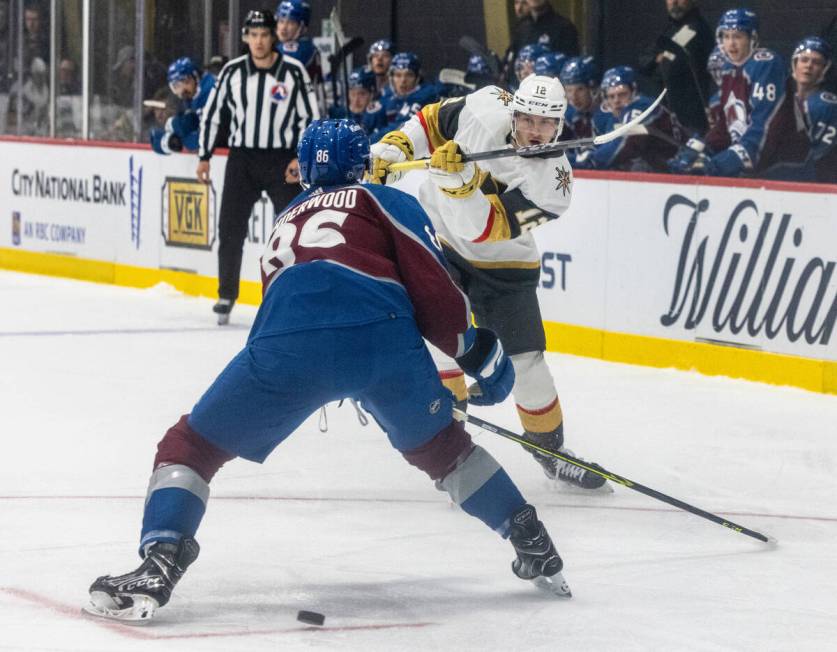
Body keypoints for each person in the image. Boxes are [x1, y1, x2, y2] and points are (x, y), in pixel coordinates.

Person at [82, 119, 571, 623]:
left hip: (285, 350)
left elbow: (285, 309)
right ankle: (528, 536)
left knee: (191, 446)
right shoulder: (384, 199)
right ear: (361, 162)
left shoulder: (285, 217)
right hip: (385, 342)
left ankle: (160, 560)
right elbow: (434, 288)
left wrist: (293, 380)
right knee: (444, 450)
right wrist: (477, 356)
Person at [369, 76, 608, 491]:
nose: (534, 131)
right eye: (527, 119)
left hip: (504, 266)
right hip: (440, 244)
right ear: (513, 112)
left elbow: (484, 227)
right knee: (441, 349)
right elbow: (431, 122)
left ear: (560, 126)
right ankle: (451, 452)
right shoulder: (483, 107)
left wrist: (457, 183)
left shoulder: (555, 185)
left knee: (527, 364)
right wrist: (394, 148)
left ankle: (550, 451)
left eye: (545, 123)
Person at [198, 9, 319, 325]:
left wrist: (300, 158)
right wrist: (204, 155)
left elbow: (310, 117)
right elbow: (213, 114)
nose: (259, 41)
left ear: (273, 37)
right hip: (242, 160)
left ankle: (289, 296)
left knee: (291, 232)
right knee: (230, 228)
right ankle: (226, 294)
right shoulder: (231, 71)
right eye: (253, 35)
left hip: (282, 161)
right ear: (245, 38)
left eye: (264, 34)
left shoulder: (293, 72)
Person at [668, 8, 795, 177]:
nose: (730, 43)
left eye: (737, 36)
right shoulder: (729, 69)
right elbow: (724, 129)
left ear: (753, 39)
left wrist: (721, 163)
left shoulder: (766, 64)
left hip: (783, 168)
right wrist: (702, 147)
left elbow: (764, 128)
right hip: (756, 167)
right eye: (726, 36)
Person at [575, 65, 684, 172]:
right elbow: (599, 148)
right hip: (664, 170)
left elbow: (625, 140)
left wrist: (590, 161)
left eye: (622, 94)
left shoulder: (642, 105)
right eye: (611, 96)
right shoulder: (612, 119)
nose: (616, 101)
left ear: (633, 92)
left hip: (685, 165)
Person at [764, 37, 837, 183]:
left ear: (825, 69)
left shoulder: (827, 106)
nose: (808, 66)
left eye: (816, 62)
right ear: (794, 64)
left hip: (814, 185)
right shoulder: (778, 100)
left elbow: (819, 158)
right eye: (804, 60)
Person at [637, 0, 714, 134]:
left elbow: (668, 68)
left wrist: (657, 62)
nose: (674, 2)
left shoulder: (695, 28)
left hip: (692, 118)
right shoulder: (670, 27)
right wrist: (656, 60)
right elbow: (643, 62)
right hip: (671, 112)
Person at [150, 57, 215, 155]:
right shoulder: (193, 94)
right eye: (175, 87)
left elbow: (207, 138)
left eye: (183, 84)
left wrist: (179, 140)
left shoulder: (210, 91)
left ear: (194, 77)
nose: (180, 92)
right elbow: (193, 121)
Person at [372, 52, 438, 141]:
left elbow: (398, 129)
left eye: (409, 75)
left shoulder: (424, 96)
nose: (403, 80)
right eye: (398, 75)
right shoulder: (387, 96)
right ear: (391, 78)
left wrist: (367, 141)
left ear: (417, 78)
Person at [274, 0, 323, 104]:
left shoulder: (300, 49)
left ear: (302, 27)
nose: (283, 27)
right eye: (281, 21)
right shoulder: (310, 47)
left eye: (291, 22)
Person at [346, 66, 386, 134]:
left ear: (372, 94)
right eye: (352, 94)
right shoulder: (341, 114)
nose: (356, 100)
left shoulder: (380, 115)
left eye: (362, 94)